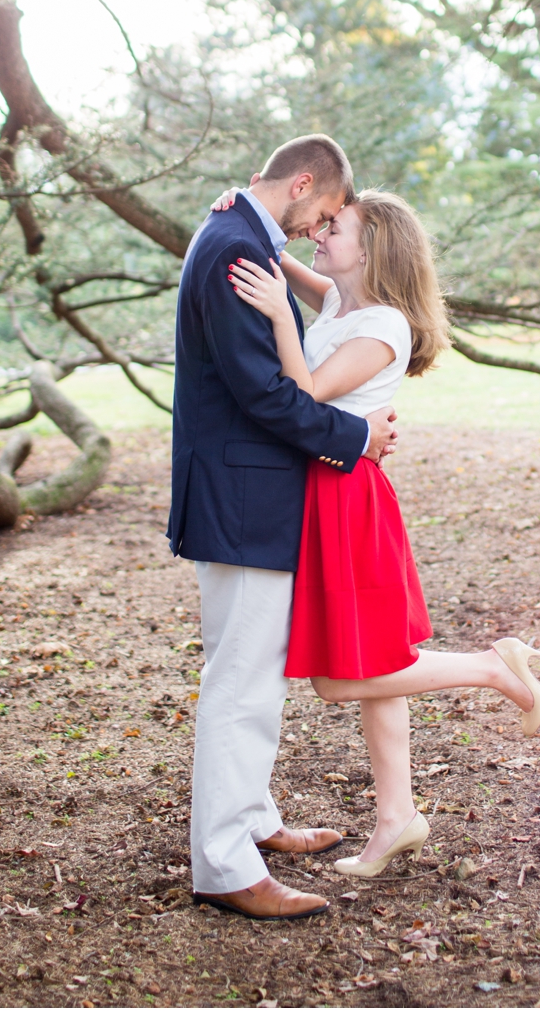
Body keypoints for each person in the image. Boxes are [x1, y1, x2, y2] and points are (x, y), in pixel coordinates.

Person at [222, 184, 540, 879]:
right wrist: (249, 202)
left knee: (344, 679)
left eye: (335, 226)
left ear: (372, 251)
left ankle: (494, 667)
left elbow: (305, 389)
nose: (321, 231)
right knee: (380, 665)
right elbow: (277, 251)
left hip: (349, 499)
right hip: (328, 489)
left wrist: (281, 312)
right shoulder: (343, 299)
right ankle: (396, 816)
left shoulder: (384, 327)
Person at [170, 134, 398, 922]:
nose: (320, 227)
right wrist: (357, 440)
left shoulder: (240, 230)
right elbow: (266, 395)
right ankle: (226, 864)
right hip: (243, 496)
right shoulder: (237, 245)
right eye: (326, 211)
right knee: (243, 682)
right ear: (303, 184)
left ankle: (253, 819)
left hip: (245, 493)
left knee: (246, 670)